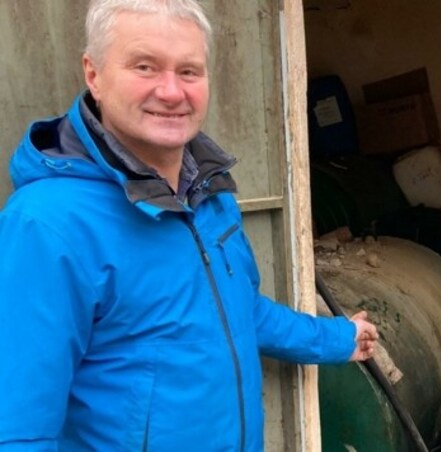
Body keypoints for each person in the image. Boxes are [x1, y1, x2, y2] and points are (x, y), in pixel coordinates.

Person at [0, 0, 378, 450]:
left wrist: (338, 338)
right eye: (145, 66)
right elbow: (20, 430)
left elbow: (244, 311)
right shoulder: (47, 223)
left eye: (189, 71)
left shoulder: (210, 194)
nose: (171, 91)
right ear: (94, 75)